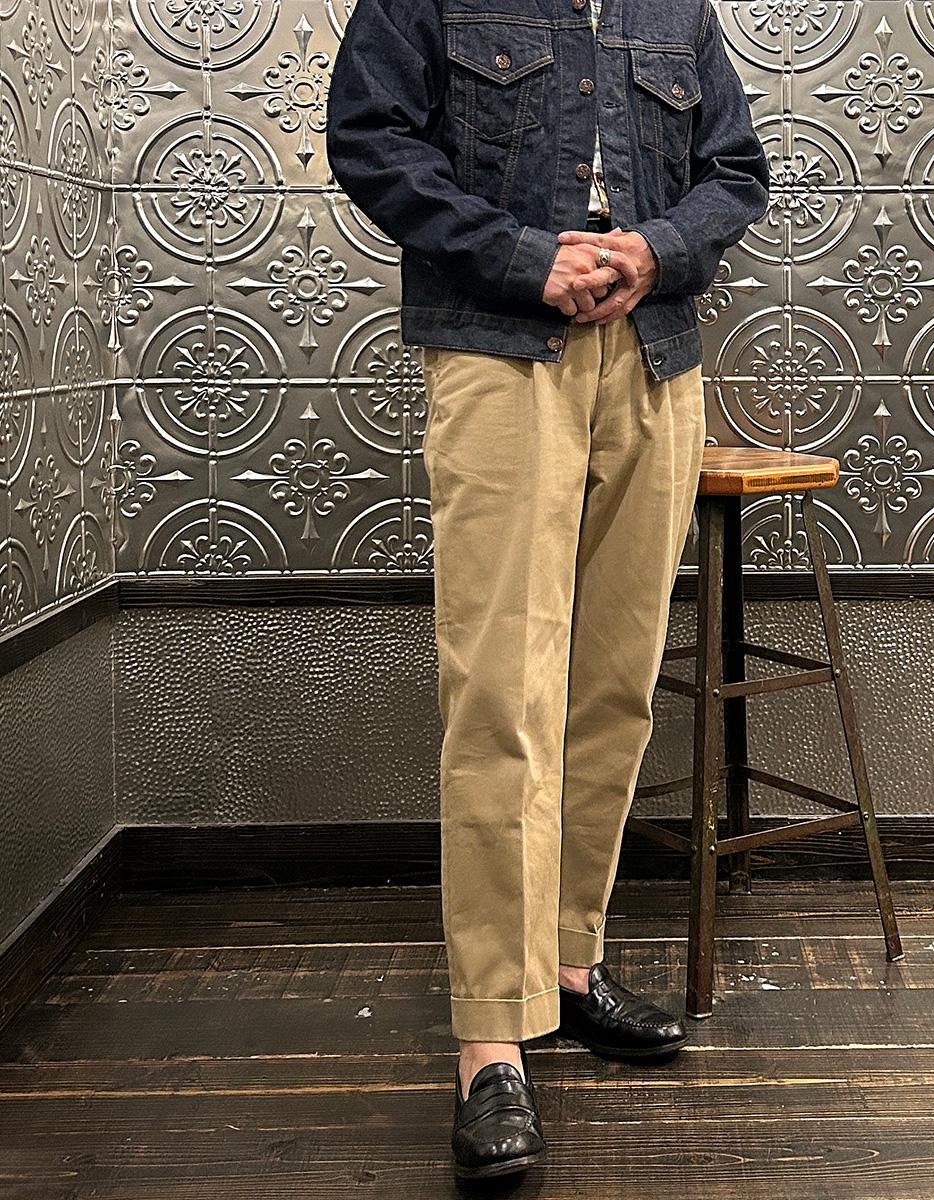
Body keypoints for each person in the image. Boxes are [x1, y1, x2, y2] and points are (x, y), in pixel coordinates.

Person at [326, 0, 769, 1180]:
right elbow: (368, 135)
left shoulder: (678, 9)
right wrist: (529, 257)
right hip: (498, 348)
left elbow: (735, 171)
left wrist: (654, 251)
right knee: (499, 693)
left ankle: (569, 965)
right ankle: (491, 1036)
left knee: (614, 683)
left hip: (658, 360)